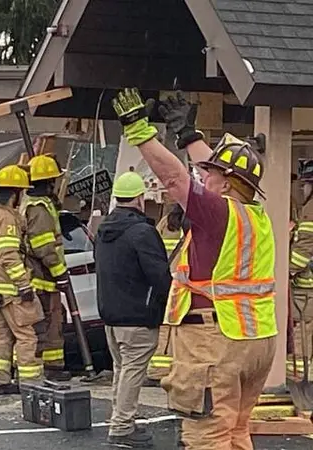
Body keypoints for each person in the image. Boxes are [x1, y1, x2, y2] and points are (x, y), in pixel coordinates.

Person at [112, 88, 277, 450]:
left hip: (214, 341)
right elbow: (216, 173)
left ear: (227, 182)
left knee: (208, 437)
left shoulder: (218, 212)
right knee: (235, 432)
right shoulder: (254, 217)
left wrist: (139, 131)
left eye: (210, 173)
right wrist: (189, 137)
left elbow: (175, 180)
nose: (204, 176)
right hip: (254, 339)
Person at [95, 170, 172, 448]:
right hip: (138, 316)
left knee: (122, 369)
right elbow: (159, 275)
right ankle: (121, 426)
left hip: (111, 316)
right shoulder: (142, 232)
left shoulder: (104, 230)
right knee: (132, 371)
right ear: (140, 198)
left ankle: (121, 417)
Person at [0, 165, 44, 396]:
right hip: (10, 289)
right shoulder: (7, 219)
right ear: (14, 194)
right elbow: (9, 256)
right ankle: (30, 382)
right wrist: (24, 284)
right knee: (25, 334)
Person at [20, 154, 72, 382]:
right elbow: (44, 246)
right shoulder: (39, 209)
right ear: (49, 181)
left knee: (54, 322)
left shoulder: (38, 204)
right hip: (41, 277)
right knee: (44, 324)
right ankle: (43, 370)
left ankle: (54, 366)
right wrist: (60, 271)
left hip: (45, 277)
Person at [145, 203, 190, 386]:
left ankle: (157, 370)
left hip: (166, 280)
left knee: (164, 326)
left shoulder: (166, 222)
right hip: (185, 283)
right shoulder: (197, 223)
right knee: (178, 328)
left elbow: (153, 248)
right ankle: (169, 370)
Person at [290, 162, 313, 380]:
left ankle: (299, 379)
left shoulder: (310, 209)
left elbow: (305, 247)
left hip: (305, 289)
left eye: (306, 184)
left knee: (301, 335)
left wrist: (286, 270)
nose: (302, 189)